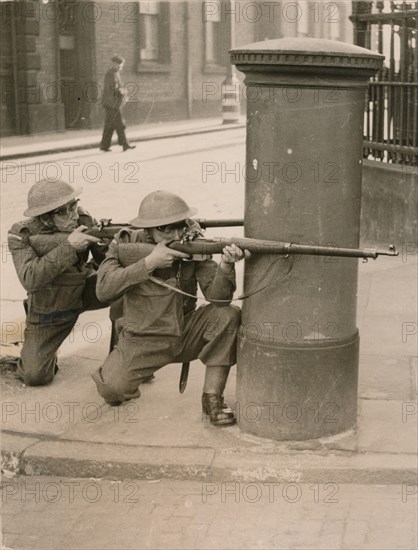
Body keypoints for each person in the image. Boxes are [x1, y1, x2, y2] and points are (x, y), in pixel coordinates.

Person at [92, 190, 249, 426]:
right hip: (141, 339)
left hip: (184, 333)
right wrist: (148, 263)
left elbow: (219, 299)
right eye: (165, 228)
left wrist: (226, 264)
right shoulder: (125, 244)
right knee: (112, 390)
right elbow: (103, 290)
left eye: (180, 225)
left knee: (227, 315)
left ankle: (212, 397)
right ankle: (121, 361)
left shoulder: (193, 243)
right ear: (148, 230)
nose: (175, 234)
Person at [7, 179, 111, 386]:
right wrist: (70, 247)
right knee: (34, 376)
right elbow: (30, 278)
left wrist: (110, 245)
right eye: (64, 211)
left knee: (127, 286)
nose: (74, 214)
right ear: (45, 218)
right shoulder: (22, 235)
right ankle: (29, 348)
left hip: (86, 289)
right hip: (51, 306)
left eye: (74, 205)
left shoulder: (83, 218)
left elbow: (106, 262)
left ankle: (121, 358)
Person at [99, 54, 136, 153]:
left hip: (112, 103)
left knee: (109, 125)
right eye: (119, 65)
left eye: (121, 65)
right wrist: (122, 92)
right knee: (120, 124)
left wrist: (122, 91)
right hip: (112, 104)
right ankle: (125, 144)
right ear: (114, 64)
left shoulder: (115, 72)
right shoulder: (110, 74)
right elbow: (111, 88)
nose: (121, 67)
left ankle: (104, 145)